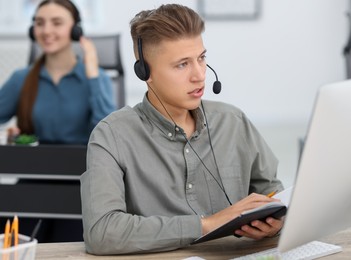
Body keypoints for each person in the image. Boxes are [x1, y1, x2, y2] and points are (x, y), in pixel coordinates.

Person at [81, 4, 284, 255]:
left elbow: (273, 192)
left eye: (201, 58)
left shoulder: (233, 121)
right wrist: (206, 224)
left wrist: (276, 224)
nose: (199, 75)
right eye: (182, 65)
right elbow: (101, 232)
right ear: (145, 72)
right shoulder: (111, 135)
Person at [0, 0, 115, 145]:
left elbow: (109, 135)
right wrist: (7, 135)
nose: (46, 31)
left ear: (75, 30)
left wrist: (93, 75)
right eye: (40, 23)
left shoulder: (97, 78)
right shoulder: (21, 79)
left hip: (82, 164)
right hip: (34, 164)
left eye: (57, 23)